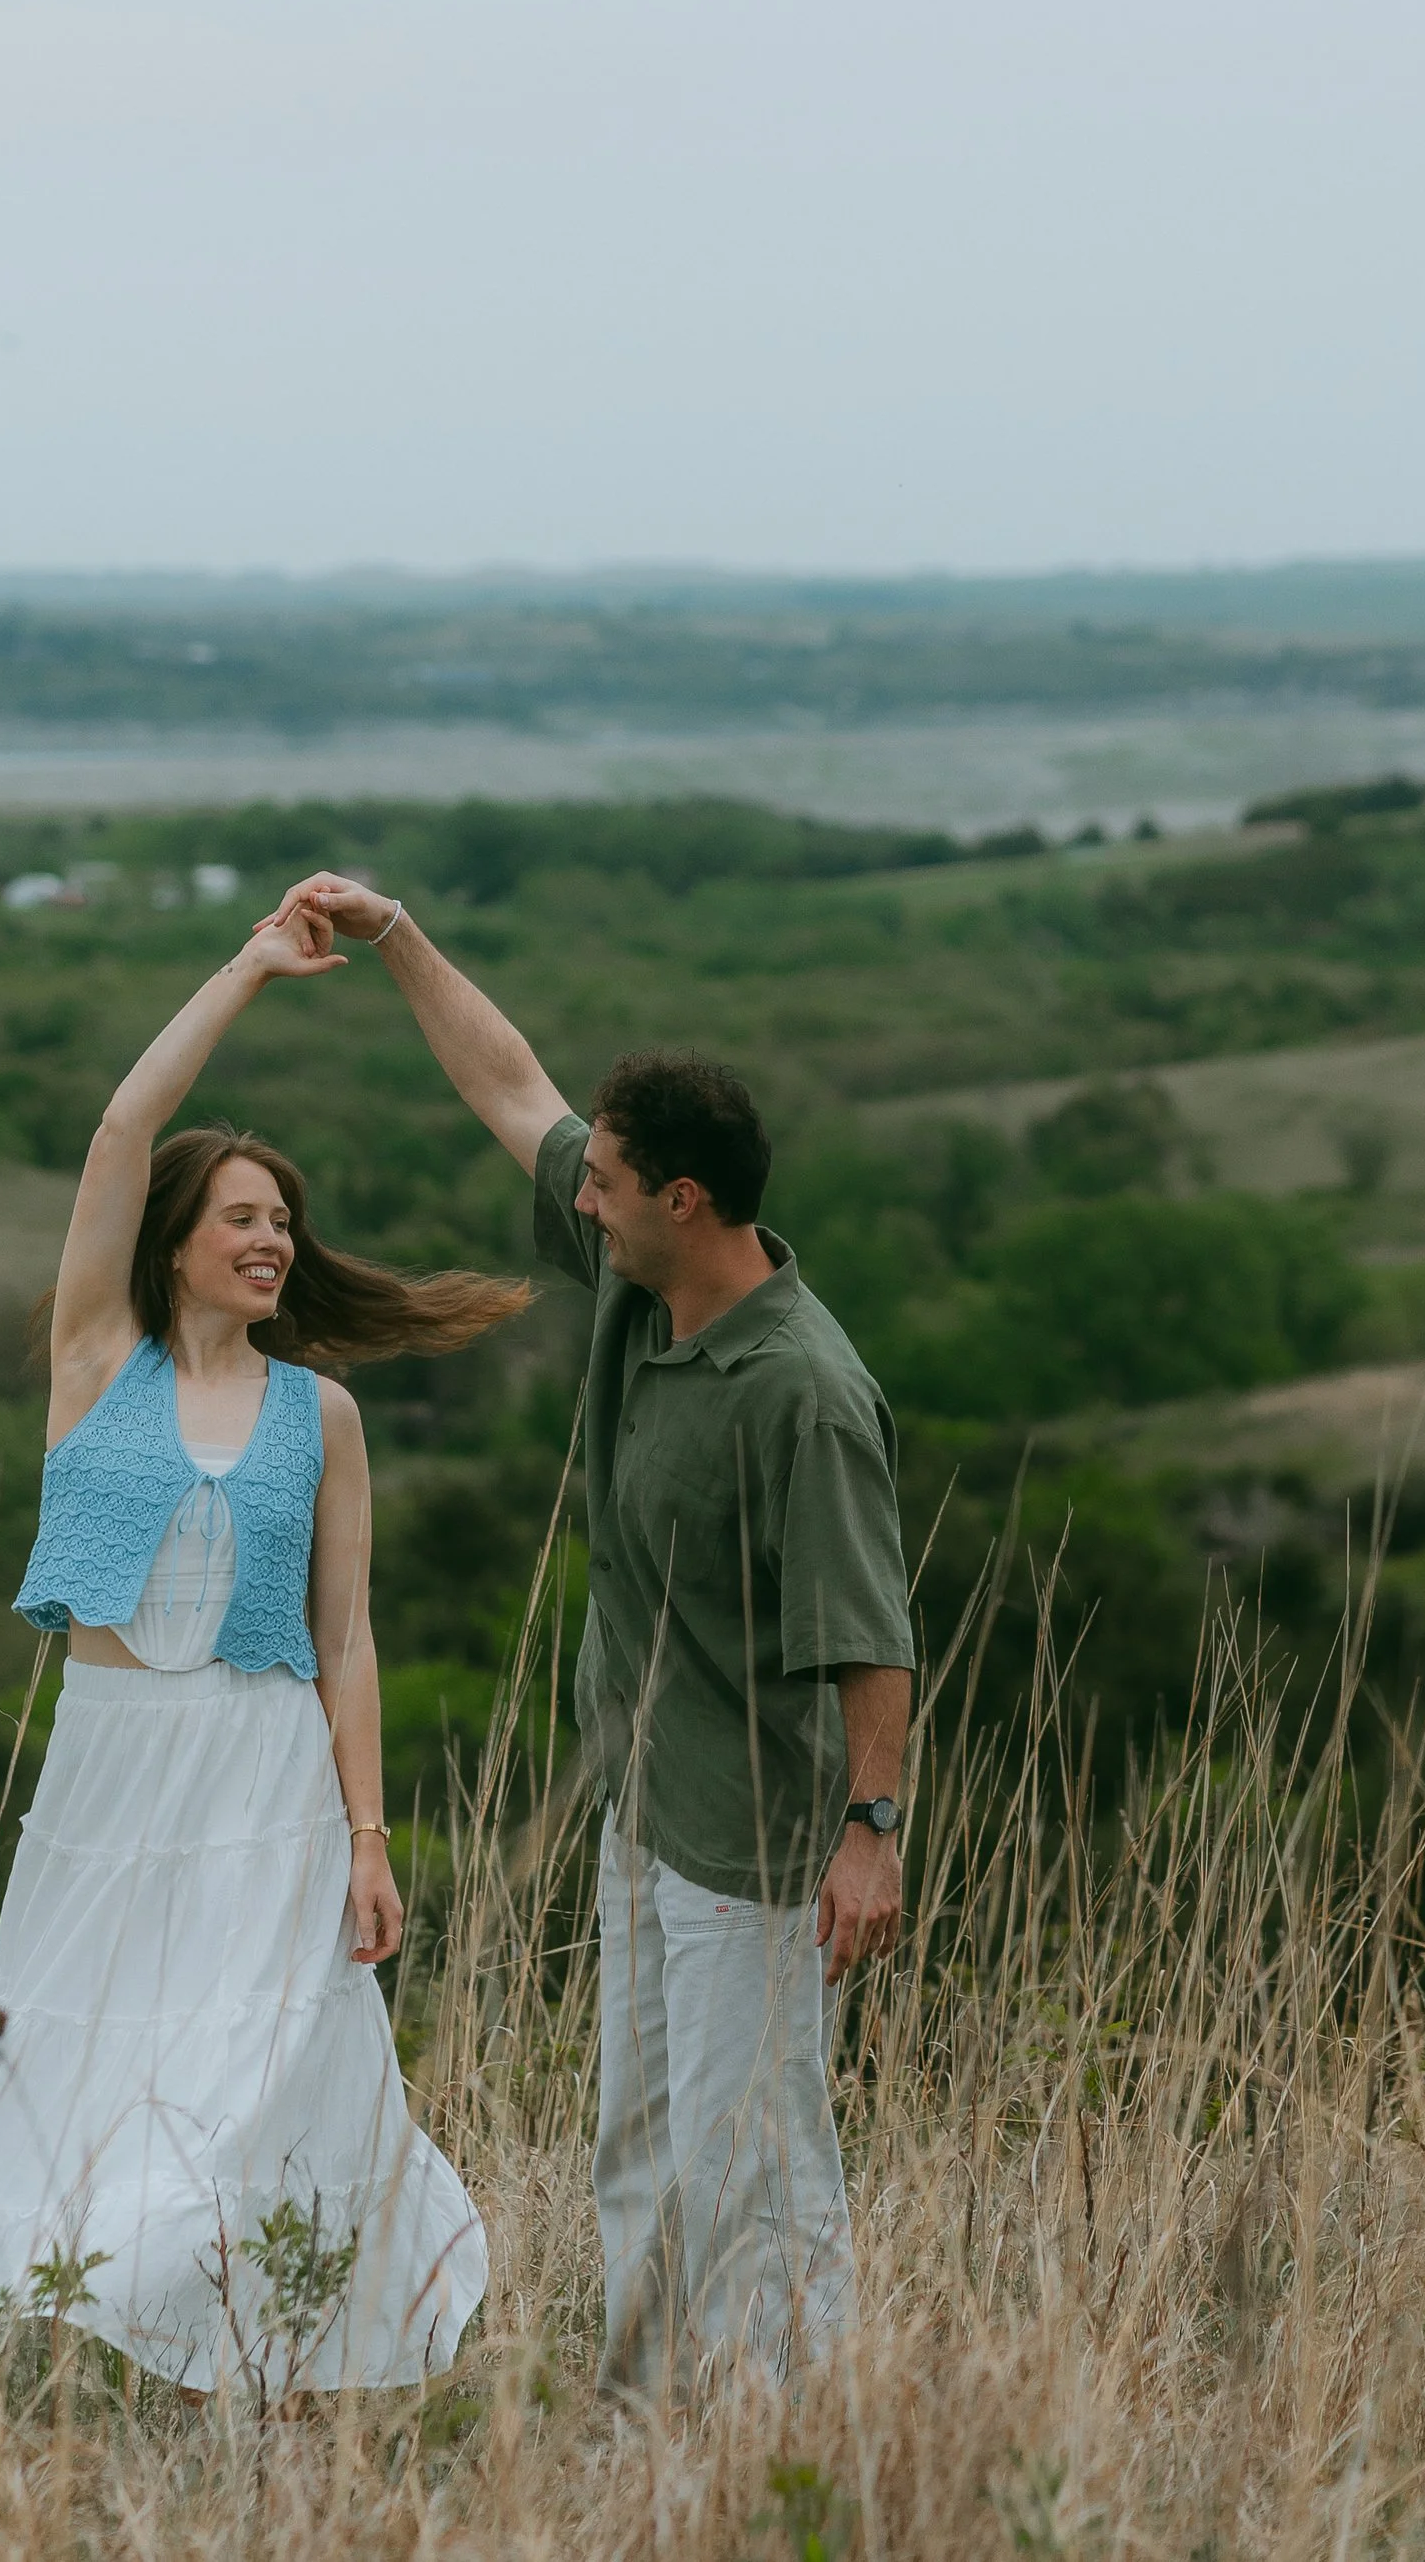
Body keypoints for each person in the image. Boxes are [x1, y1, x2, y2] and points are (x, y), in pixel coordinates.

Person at [0, 910, 512, 2400]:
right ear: (177, 1238)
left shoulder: (326, 1415)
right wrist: (247, 967)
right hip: (112, 1764)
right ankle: (54, 2318)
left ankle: (234, 2357)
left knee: (261, 2062)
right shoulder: (98, 1364)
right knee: (60, 2047)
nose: (269, 1240)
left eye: (284, 1223)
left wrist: (369, 1839)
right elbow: (124, 1120)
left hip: (266, 1770)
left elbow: (345, 1638)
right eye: (241, 1216)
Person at [262, 873, 915, 2399]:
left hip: (754, 1836)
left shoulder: (801, 1390)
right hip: (642, 1801)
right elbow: (513, 1086)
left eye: (606, 1182)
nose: (582, 1195)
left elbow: (872, 1631)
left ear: (682, 1198)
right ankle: (648, 2430)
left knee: (752, 2155)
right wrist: (396, 934)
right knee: (635, 2134)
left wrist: (872, 1828)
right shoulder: (645, 1291)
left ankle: (788, 2445)